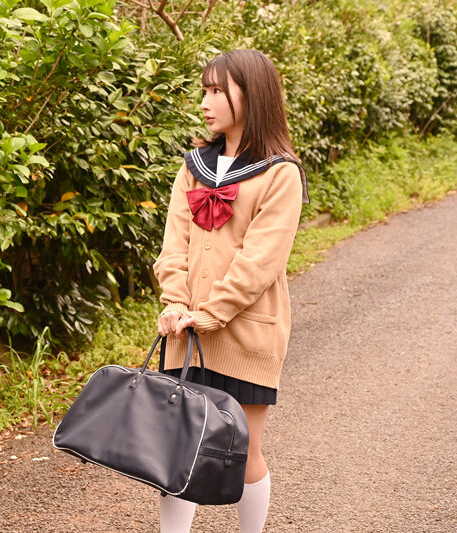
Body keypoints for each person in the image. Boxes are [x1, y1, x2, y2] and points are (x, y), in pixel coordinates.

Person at [152, 49, 310, 533]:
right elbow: (173, 245)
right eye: (204, 90)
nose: (205, 102)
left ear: (252, 95)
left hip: (246, 334)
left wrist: (208, 313)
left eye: (218, 91)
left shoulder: (280, 173)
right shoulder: (193, 166)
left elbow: (260, 262)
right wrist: (175, 302)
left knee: (243, 451)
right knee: (178, 452)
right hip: (185, 333)